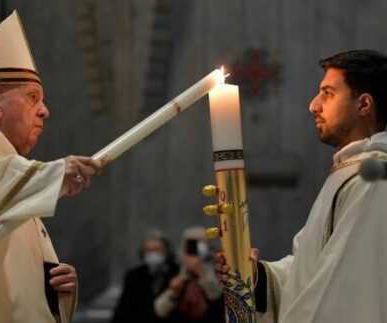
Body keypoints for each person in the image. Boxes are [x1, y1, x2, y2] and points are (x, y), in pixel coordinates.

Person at [216, 49, 387, 323]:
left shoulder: (373, 180)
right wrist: (258, 277)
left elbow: (342, 293)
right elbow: (310, 271)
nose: (313, 105)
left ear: (364, 104)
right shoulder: (349, 172)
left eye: (328, 93)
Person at [0, 10, 102, 323]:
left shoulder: (16, 176)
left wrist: (58, 291)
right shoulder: (7, 176)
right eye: (32, 97)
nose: (45, 111)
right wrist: (55, 172)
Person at [155, 226, 224, 323]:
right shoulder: (173, 271)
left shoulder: (217, 268)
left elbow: (217, 297)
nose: (198, 246)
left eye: (202, 242)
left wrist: (202, 273)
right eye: (193, 243)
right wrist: (173, 293)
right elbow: (160, 311)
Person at [110, 229, 179, 323]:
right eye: (149, 250)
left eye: (157, 249)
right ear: (143, 252)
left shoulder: (177, 274)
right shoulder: (134, 277)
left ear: (166, 251)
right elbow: (123, 310)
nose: (153, 254)